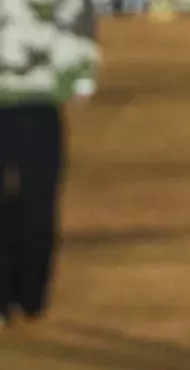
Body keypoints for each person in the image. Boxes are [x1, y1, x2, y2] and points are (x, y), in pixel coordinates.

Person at [0, 0, 97, 328]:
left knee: (37, 200)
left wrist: (81, 73)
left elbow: (78, 11)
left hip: (39, 101)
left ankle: (29, 292)